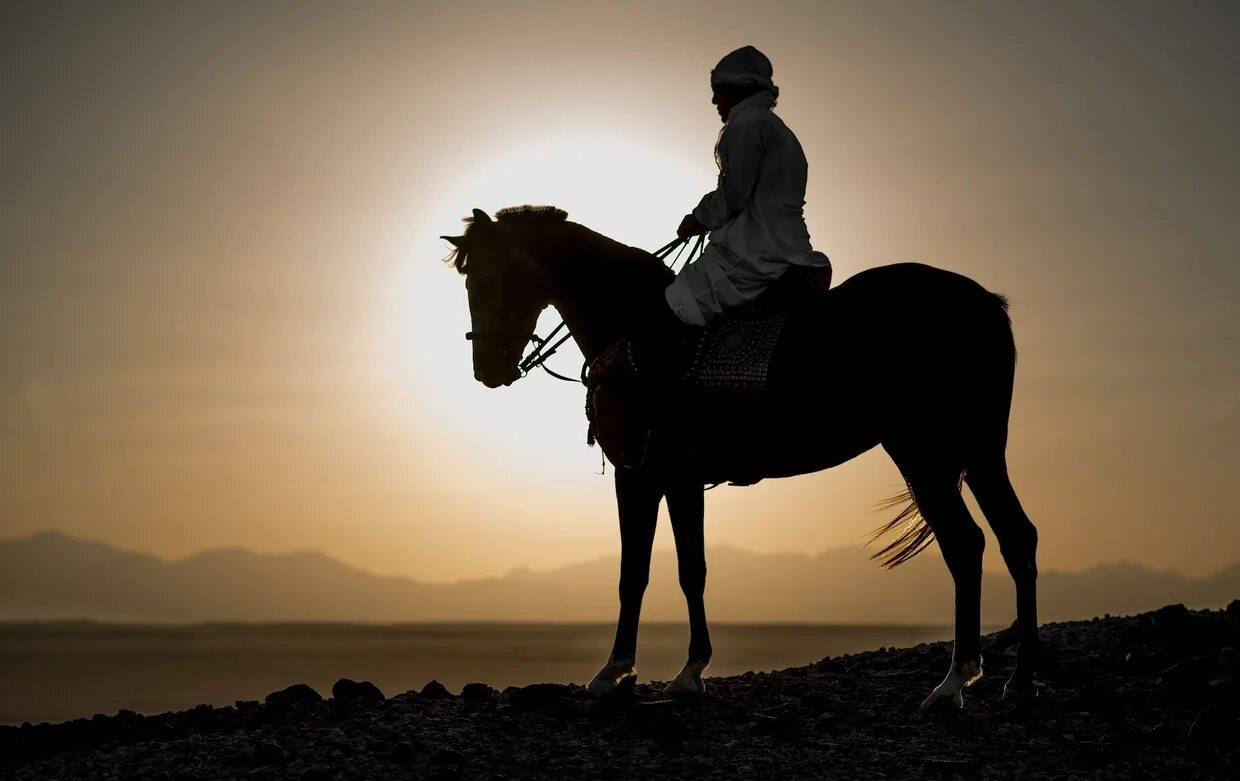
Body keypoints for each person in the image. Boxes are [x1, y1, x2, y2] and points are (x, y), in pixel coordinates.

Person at [665, 45, 831, 327]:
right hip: (782, 245)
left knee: (676, 303)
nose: (714, 99)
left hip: (756, 254)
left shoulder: (748, 125)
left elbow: (735, 194)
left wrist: (700, 217)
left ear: (738, 88)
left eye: (719, 89)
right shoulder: (774, 128)